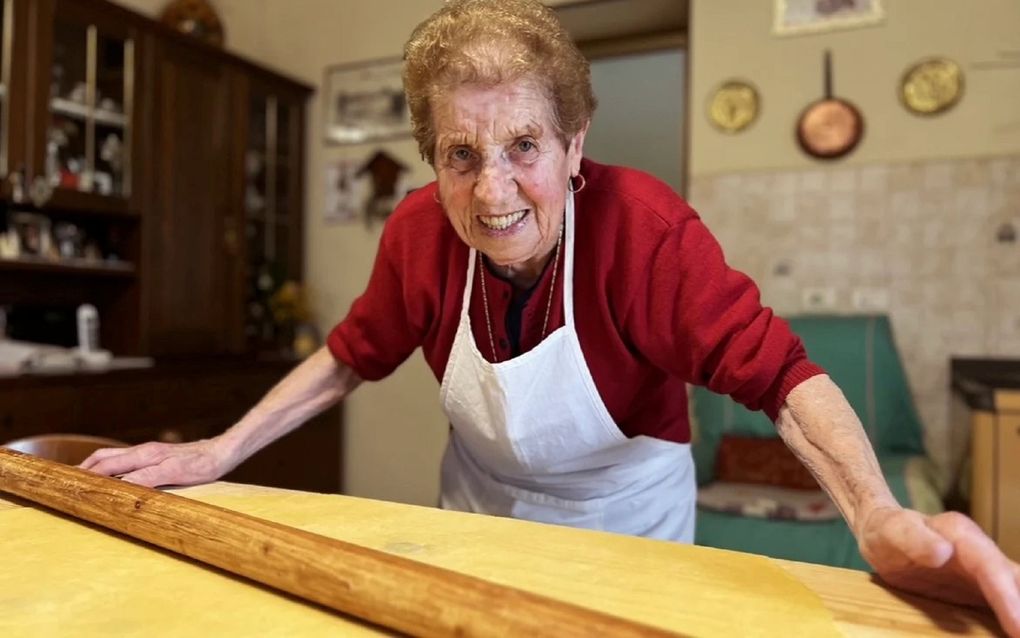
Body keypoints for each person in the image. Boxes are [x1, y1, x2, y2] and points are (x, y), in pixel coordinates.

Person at [81, 0, 1020, 633]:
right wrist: (215, 453)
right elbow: (347, 356)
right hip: (476, 521)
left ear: (575, 145)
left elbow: (782, 376)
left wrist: (875, 516)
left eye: (524, 144)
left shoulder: (645, 230)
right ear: (432, 161)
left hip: (630, 531)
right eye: (460, 153)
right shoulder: (417, 234)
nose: (493, 191)